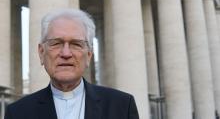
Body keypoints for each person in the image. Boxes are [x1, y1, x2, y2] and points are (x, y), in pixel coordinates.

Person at [4, 8, 139, 119]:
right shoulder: (17, 113)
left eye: (76, 44)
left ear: (88, 55)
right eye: (56, 43)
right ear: (41, 53)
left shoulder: (122, 106)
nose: (66, 53)